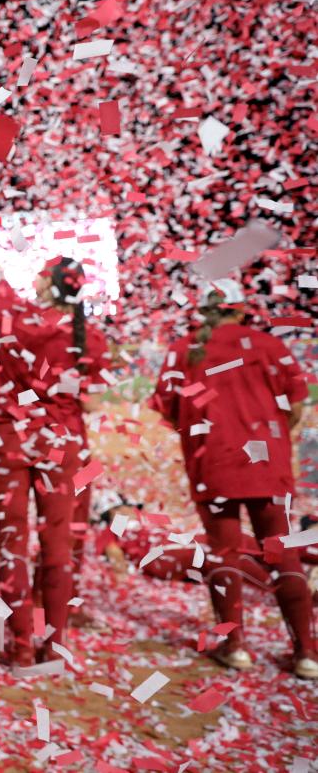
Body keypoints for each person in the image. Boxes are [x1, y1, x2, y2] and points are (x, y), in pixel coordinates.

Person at [0, 179, 110, 667]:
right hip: (64, 445)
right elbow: (95, 400)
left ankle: (17, 646)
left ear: (45, 284)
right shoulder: (92, 337)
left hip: (9, 441)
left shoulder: (14, 314)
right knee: (58, 544)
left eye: (39, 275)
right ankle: (53, 646)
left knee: (12, 543)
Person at [149, 279, 315, 679]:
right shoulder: (269, 345)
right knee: (282, 553)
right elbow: (295, 406)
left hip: (214, 463)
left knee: (223, 553)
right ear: (241, 310)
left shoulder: (182, 350)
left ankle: (235, 646)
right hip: (266, 464)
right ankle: (307, 653)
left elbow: (168, 411)